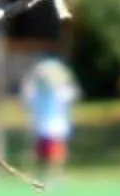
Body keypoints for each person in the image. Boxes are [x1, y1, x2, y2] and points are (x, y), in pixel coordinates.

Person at [21, 54, 80, 184]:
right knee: (39, 155)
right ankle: (38, 177)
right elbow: (27, 100)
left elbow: (73, 94)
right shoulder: (37, 93)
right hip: (41, 127)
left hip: (56, 128)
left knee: (55, 155)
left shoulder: (59, 92)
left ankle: (55, 177)